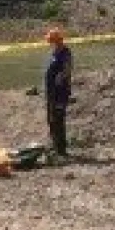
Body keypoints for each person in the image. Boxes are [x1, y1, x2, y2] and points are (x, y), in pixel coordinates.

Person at [43, 27, 73, 157]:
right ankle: (55, 146)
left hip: (60, 92)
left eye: (52, 41)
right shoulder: (55, 52)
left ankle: (61, 149)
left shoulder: (65, 52)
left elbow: (67, 69)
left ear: (58, 40)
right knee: (51, 119)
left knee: (59, 120)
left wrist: (60, 78)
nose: (50, 44)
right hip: (51, 92)